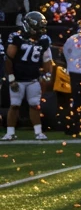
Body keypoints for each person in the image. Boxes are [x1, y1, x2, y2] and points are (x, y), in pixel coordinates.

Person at [3, 10, 53, 141]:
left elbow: (47, 59)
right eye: (38, 27)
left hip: (33, 78)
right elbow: (8, 59)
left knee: (35, 105)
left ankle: (38, 132)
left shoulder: (44, 40)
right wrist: (11, 78)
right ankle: (10, 132)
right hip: (18, 78)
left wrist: (47, 75)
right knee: (14, 105)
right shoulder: (16, 37)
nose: (40, 31)